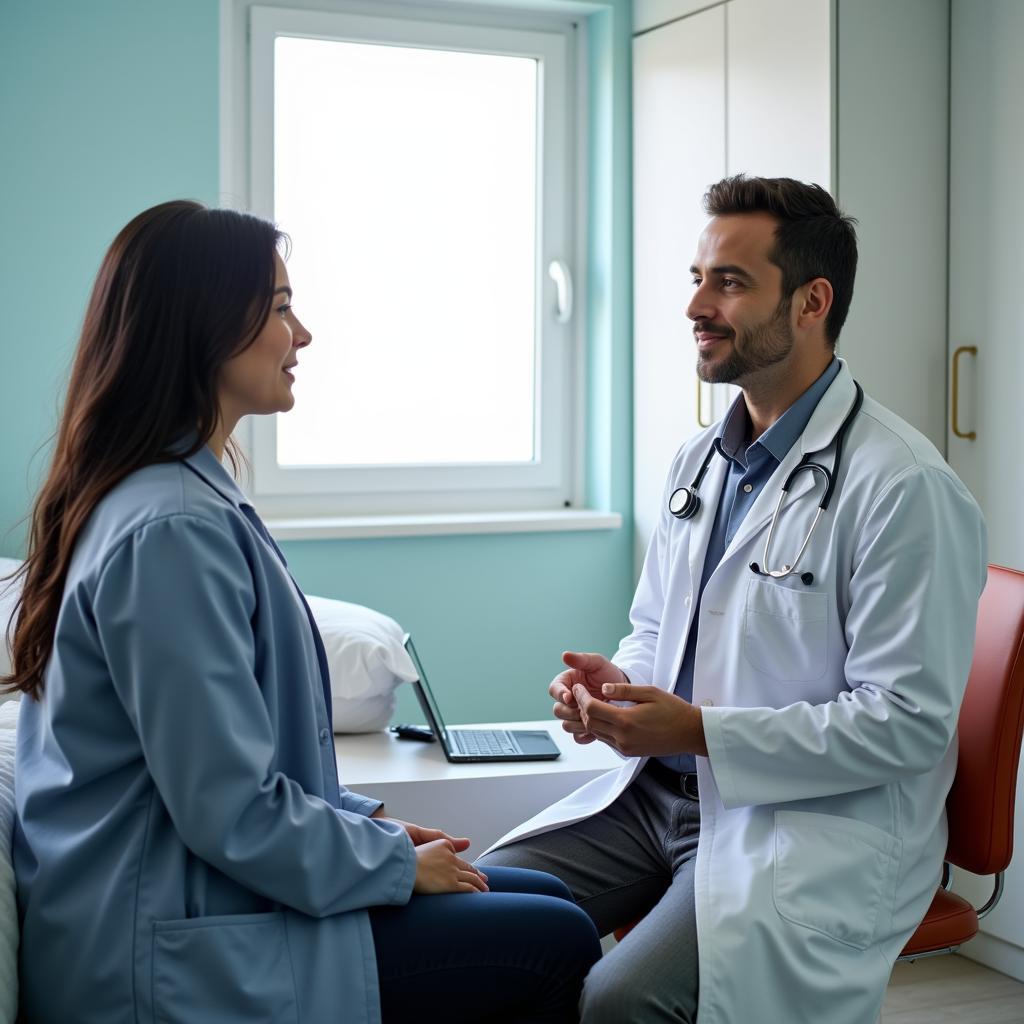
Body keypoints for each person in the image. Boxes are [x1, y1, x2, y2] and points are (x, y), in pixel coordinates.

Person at [4, 200, 601, 1023]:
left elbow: (238, 768)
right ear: (204, 327)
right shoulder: (171, 529)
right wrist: (388, 860)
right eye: (282, 308)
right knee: (552, 937)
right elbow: (226, 806)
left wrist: (371, 826)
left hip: (198, 894)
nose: (304, 335)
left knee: (543, 893)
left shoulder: (182, 496)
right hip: (157, 949)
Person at [478, 175, 988, 1024]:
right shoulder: (700, 461)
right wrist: (619, 687)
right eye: (697, 278)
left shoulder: (904, 488)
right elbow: (656, 628)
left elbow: (906, 723)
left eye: (730, 282)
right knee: (475, 921)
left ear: (811, 302)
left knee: (618, 1002)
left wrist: (697, 730)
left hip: (809, 822)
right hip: (653, 798)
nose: (696, 307)